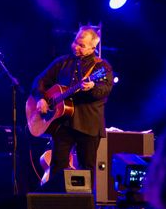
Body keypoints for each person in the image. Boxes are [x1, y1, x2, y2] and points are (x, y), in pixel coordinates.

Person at [30, 25, 113, 191]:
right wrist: (41, 99)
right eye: (76, 42)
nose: (76, 47)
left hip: (88, 124)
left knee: (86, 167)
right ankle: (56, 205)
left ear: (92, 47)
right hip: (63, 123)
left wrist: (92, 88)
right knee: (57, 166)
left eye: (82, 45)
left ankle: (84, 208)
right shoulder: (63, 62)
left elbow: (105, 89)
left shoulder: (102, 67)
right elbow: (40, 80)